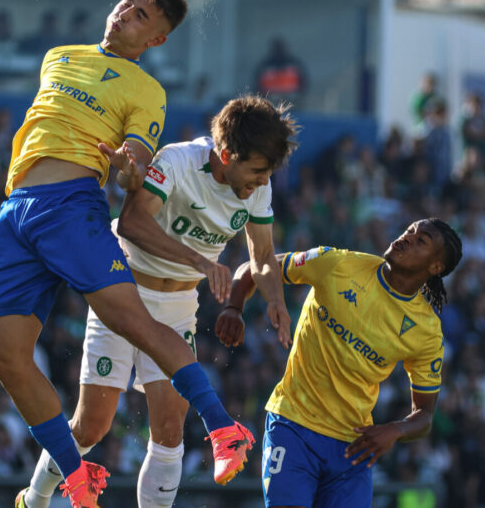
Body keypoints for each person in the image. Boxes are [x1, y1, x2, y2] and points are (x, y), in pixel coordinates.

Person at [0, 0, 253, 508]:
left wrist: (128, 172)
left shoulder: (147, 91)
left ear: (156, 41)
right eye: (129, 2)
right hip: (15, 212)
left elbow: (134, 165)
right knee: (5, 356)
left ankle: (222, 426)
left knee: (136, 323)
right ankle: (74, 475)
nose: (127, 12)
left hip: (70, 207)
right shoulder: (58, 56)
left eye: (143, 15)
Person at [17, 94, 299, 508]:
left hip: (179, 304)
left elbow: (261, 255)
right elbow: (131, 223)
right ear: (226, 154)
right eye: (256, 171)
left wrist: (275, 298)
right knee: (91, 428)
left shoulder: (258, 186)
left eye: (267, 173)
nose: (261, 181)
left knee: (169, 429)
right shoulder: (178, 162)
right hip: (122, 292)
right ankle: (34, 501)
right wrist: (201, 262)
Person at [220, 218, 463, 508]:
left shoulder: (426, 331)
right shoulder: (337, 264)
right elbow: (257, 266)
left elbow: (424, 414)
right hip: (293, 426)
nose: (407, 237)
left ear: (435, 267)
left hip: (353, 449)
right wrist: (234, 308)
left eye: (421, 240)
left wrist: (395, 430)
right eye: (410, 230)